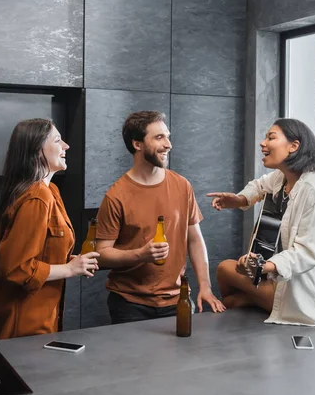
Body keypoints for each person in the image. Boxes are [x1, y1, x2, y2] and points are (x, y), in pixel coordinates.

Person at [207, 118, 315, 326]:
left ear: (294, 146)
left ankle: (247, 300)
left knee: (230, 299)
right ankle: (250, 300)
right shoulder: (283, 178)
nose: (263, 143)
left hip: (307, 294)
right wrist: (239, 199)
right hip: (281, 280)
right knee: (224, 269)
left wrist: (263, 267)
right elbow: (260, 185)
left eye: (271, 137)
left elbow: (306, 253)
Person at [96, 110, 225, 324]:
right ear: (137, 144)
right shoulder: (116, 196)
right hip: (130, 304)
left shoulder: (182, 185)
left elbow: (194, 240)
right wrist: (140, 254)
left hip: (178, 301)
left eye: (168, 136)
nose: (168, 144)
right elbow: (101, 256)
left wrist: (205, 287)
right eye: (159, 137)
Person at [0, 118, 99, 341]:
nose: (66, 146)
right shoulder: (37, 197)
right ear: (37, 150)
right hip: (21, 326)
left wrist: (70, 262)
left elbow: (39, 253)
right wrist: (69, 269)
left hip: (42, 321)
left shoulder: (51, 191)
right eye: (57, 140)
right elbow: (17, 269)